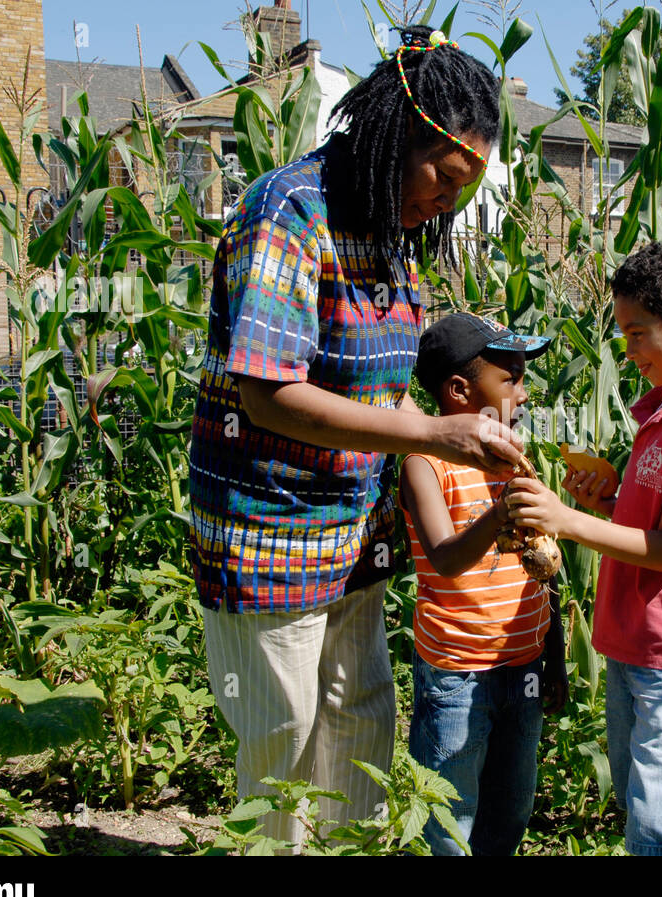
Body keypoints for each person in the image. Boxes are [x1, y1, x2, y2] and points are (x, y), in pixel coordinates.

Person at [188, 26, 521, 849]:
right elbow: (269, 393)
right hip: (269, 529)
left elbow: (369, 378)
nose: (443, 204)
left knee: (360, 717)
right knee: (283, 731)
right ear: (391, 136)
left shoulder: (387, 231)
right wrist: (433, 435)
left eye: (459, 194)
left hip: (351, 529)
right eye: (442, 179)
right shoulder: (291, 211)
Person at [507, 239, 662, 856]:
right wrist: (607, 499)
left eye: (638, 332)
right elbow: (649, 524)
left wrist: (565, 520)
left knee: (656, 816)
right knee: (633, 794)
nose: (628, 349)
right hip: (631, 634)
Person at [399, 313, 568, 856]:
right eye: (511, 378)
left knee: (509, 810)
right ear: (459, 391)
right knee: (449, 818)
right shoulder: (425, 463)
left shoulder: (513, 455)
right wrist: (497, 515)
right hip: (458, 677)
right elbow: (445, 558)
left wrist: (554, 650)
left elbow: (537, 563)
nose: (522, 392)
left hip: (524, 665)